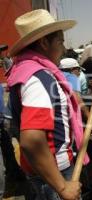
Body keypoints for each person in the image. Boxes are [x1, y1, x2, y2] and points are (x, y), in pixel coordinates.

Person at [6, 9, 86, 200]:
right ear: (43, 43)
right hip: (54, 173)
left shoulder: (25, 70)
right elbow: (32, 140)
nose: (64, 49)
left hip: (42, 170)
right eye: (60, 41)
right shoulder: (38, 79)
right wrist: (63, 187)